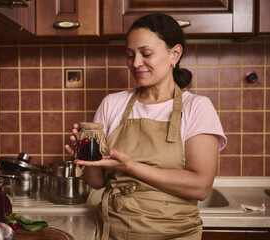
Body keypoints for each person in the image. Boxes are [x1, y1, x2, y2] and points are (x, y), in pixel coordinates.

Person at [65, 13, 227, 240]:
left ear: (175, 54)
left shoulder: (197, 107)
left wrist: (131, 166)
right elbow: (97, 182)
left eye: (146, 54)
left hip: (175, 235)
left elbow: (200, 187)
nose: (135, 63)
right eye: (130, 55)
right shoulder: (112, 104)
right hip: (114, 233)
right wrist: (87, 159)